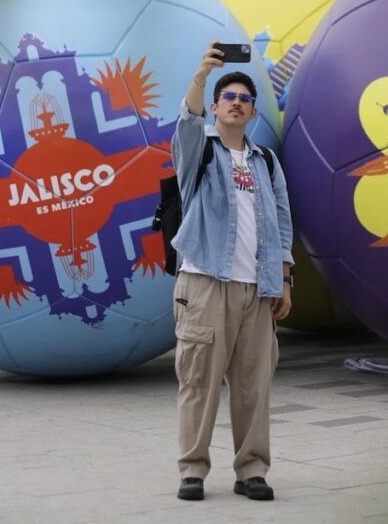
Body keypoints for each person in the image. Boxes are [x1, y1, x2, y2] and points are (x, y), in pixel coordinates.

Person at [170, 41, 294, 502]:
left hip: (257, 290)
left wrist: (284, 280)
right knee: (199, 382)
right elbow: (187, 121)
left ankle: (252, 471)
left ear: (253, 111)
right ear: (217, 107)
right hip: (206, 283)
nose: (237, 103)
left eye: (245, 99)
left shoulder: (266, 162)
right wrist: (201, 76)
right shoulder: (198, 151)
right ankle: (192, 471)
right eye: (229, 98)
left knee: (253, 387)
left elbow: (282, 222)